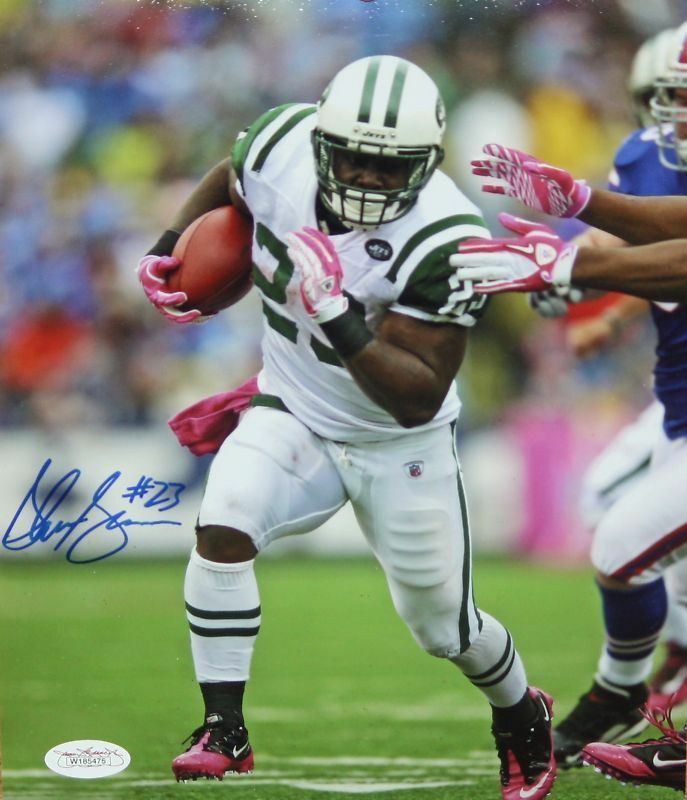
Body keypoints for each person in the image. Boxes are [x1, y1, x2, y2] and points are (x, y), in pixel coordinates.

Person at [137, 55, 556, 799]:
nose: (365, 176)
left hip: (398, 442)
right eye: (352, 157)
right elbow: (234, 176)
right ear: (320, 143)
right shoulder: (280, 143)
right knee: (224, 521)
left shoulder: (450, 238)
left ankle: (521, 713)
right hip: (294, 406)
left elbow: (417, 397)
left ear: (427, 163)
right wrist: (169, 245)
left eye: (388, 166)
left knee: (445, 628)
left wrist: (336, 314)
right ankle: (223, 728)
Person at [450, 25, 687, 779]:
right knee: (622, 524)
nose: (678, 116)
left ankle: (628, 696)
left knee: (624, 541)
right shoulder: (647, 157)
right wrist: (576, 240)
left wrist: (570, 262)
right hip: (677, 408)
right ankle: (645, 698)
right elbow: (663, 231)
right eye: (674, 98)